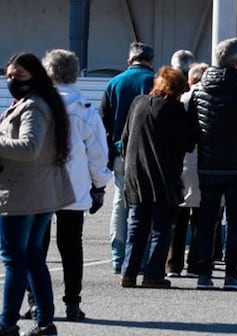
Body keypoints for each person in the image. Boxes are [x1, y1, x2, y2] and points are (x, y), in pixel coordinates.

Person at [0, 53, 75, 336]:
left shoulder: (33, 107)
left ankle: (7, 323)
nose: (11, 81)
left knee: (14, 260)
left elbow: (29, 147)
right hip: (38, 193)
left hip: (23, 195)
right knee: (31, 258)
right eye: (8, 75)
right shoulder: (38, 103)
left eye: (18, 76)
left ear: (34, 76)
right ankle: (45, 322)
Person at [188, 38, 237, 291]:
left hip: (208, 165)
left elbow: (192, 131)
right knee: (234, 222)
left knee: (206, 220)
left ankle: (203, 273)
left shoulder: (199, 89)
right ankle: (231, 274)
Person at [41, 49, 112, 321]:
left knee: (37, 247)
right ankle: (73, 302)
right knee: (71, 246)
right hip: (74, 186)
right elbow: (97, 153)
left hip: (41, 185)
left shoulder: (39, 104)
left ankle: (36, 300)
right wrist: (99, 185)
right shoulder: (84, 109)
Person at [120, 67, 193, 289]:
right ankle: (153, 273)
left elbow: (125, 138)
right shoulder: (176, 109)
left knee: (136, 225)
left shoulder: (137, 103)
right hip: (163, 174)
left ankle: (128, 272)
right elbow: (187, 143)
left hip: (135, 171)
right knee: (161, 227)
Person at [100, 42, 155, 274]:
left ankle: (117, 255)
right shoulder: (156, 81)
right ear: (151, 60)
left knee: (119, 205)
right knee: (145, 208)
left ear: (128, 60)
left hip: (120, 152)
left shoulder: (114, 83)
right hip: (148, 153)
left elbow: (104, 120)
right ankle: (139, 257)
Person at [166, 62, 208, 278]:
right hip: (205, 162)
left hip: (181, 162)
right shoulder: (211, 101)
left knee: (178, 217)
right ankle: (196, 264)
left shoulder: (180, 101)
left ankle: (173, 264)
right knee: (202, 218)